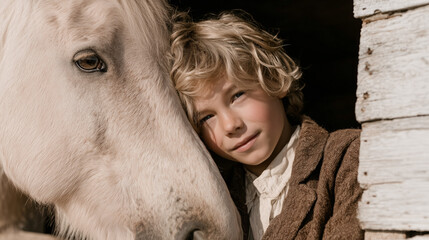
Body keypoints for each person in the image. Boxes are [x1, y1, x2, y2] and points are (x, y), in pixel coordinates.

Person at [169, 10, 363, 240]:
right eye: (206, 117)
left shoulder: (347, 157)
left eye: (237, 95)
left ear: (272, 78)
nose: (230, 125)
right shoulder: (217, 196)